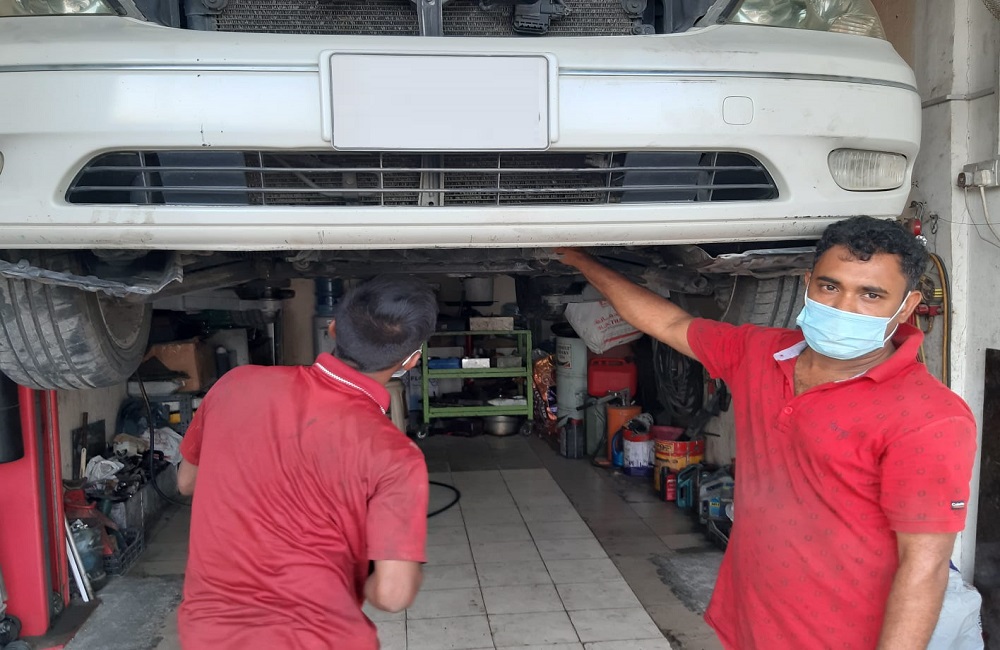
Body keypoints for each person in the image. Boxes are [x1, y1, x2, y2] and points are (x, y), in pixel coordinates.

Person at [557, 216, 978, 650]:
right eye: (830, 286)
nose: (843, 308)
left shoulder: (930, 418)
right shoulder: (761, 352)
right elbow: (668, 324)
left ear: (906, 307)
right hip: (750, 622)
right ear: (807, 283)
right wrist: (581, 261)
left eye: (871, 294)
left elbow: (924, 568)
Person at [175, 275, 437, 649]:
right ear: (411, 360)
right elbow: (392, 595)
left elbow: (187, 482)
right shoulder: (395, 455)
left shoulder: (235, 384)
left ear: (333, 329)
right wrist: (378, 571)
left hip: (210, 636)